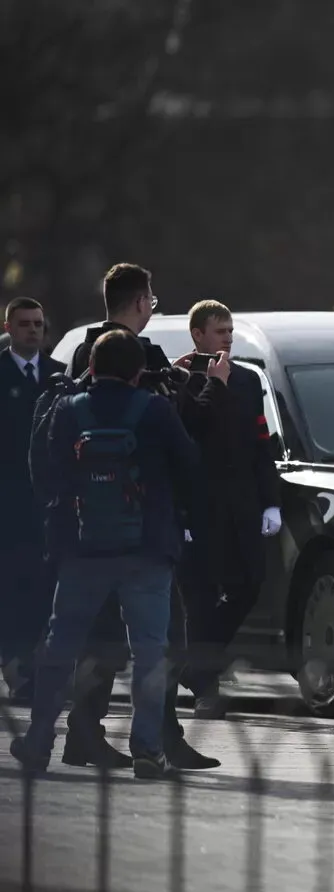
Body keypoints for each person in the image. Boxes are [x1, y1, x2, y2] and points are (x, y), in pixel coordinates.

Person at [44, 263, 220, 770]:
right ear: (141, 301)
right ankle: (160, 737)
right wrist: (209, 384)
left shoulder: (86, 351)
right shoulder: (142, 357)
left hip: (87, 528)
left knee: (94, 637)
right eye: (152, 300)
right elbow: (182, 438)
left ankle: (75, 733)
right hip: (145, 531)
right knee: (162, 639)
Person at [10, 330, 201, 778]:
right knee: (151, 649)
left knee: (62, 645)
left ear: (90, 367)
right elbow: (189, 465)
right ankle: (147, 748)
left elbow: (44, 472)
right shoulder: (156, 409)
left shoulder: (68, 409)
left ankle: (39, 741)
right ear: (138, 371)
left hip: (82, 548)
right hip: (147, 549)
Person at [174, 300, 282, 719]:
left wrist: (270, 501)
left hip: (241, 502)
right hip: (199, 504)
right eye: (220, 332)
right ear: (198, 334)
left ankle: (194, 666)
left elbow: (260, 444)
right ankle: (206, 690)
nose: (228, 339)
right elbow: (187, 436)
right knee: (199, 599)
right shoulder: (179, 378)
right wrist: (180, 512)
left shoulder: (247, 381)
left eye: (231, 332)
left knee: (250, 584)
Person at [0, 298, 65, 702]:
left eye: (38, 323)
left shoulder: (58, 376)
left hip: (49, 501)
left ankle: (33, 664)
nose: (33, 330)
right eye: (24, 324)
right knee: (11, 585)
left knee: (45, 587)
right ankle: (15, 664)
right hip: (8, 501)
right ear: (8, 326)